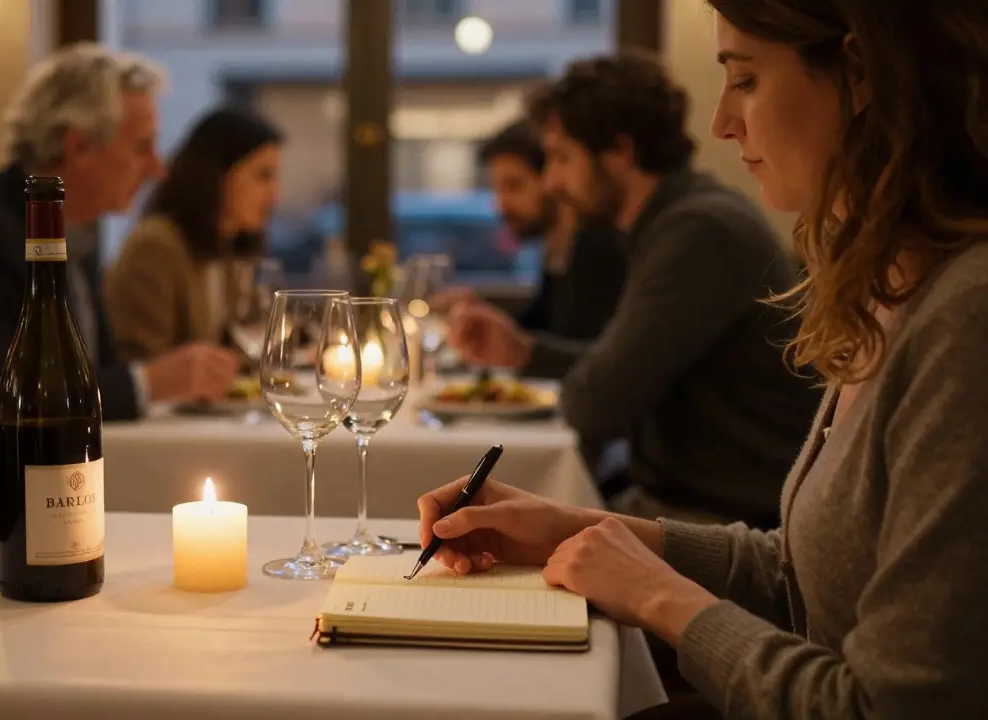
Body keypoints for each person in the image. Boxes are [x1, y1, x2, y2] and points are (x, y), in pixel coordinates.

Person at [418, 0, 988, 716]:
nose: (722, 123)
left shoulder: (965, 319)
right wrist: (579, 527)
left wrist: (657, 594)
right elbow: (796, 576)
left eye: (744, 80)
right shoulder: (890, 289)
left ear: (860, 73)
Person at [447, 53, 821, 526]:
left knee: (478, 536)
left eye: (562, 157)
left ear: (619, 153)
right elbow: (612, 372)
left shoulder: (699, 232)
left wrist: (558, 363)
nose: (553, 181)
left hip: (724, 523)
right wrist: (523, 352)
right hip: (689, 503)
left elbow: (596, 404)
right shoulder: (676, 222)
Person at [0, 44, 240, 517]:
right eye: (141, 147)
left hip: (58, 495)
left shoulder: (74, 235)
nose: (157, 168)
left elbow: (89, 376)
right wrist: (145, 382)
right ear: (79, 146)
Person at [105, 106, 283, 360]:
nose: (276, 195)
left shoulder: (229, 249)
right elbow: (140, 365)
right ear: (217, 174)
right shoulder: (156, 247)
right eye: (263, 176)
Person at [476, 120, 626, 341]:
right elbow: (539, 327)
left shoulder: (600, 248)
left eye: (514, 185)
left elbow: (584, 352)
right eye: (496, 189)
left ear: (550, 178)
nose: (501, 204)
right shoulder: (558, 248)